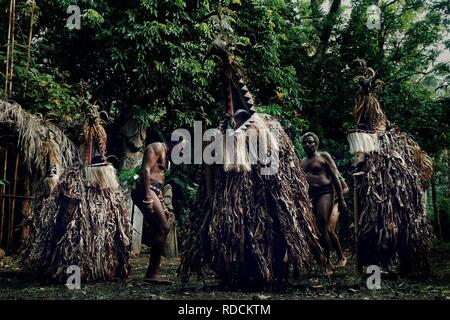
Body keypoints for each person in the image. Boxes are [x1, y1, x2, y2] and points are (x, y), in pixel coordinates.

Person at [301, 132, 348, 274]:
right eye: (305, 142)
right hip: (310, 196)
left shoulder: (324, 156)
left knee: (323, 225)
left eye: (310, 142)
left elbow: (335, 177)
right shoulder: (301, 162)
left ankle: (328, 264)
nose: (308, 144)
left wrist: (341, 199)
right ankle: (321, 261)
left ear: (316, 143)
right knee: (313, 230)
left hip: (325, 192)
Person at [131, 141, 174, 284]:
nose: (182, 153)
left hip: (155, 191)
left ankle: (152, 274)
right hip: (146, 189)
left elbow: (159, 179)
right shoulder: (157, 147)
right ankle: (151, 274)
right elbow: (146, 169)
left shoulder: (167, 157)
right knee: (164, 228)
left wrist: (162, 205)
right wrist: (149, 196)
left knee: (160, 229)